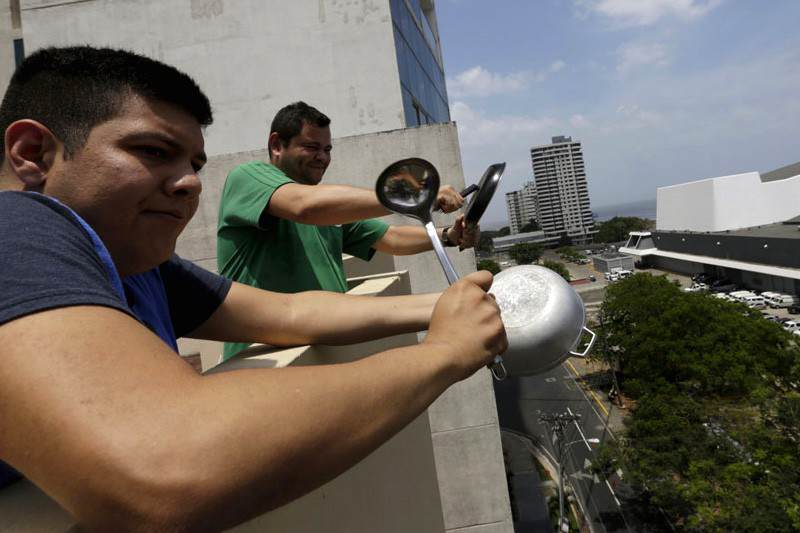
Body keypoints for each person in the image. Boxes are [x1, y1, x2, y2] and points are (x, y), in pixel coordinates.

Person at [0, 46, 507, 530]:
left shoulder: (137, 263)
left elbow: (289, 314)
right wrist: (440, 356)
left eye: (194, 165)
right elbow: (164, 470)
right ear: (32, 152)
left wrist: (453, 308)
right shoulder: (16, 231)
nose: (190, 183)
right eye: (153, 151)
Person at [217, 101, 481, 359]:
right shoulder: (248, 177)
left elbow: (390, 238)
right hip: (263, 363)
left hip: (323, 353)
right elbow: (303, 206)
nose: (322, 157)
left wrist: (447, 235)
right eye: (311, 147)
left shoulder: (328, 208)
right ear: (276, 145)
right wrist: (415, 193)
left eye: (327, 149)